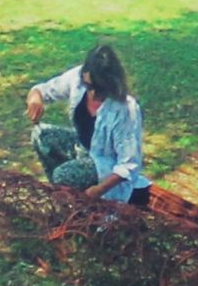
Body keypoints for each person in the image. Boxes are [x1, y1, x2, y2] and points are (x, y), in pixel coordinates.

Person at [25, 43, 150, 207]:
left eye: (99, 89)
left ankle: (71, 196)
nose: (92, 93)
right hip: (83, 150)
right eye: (89, 86)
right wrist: (35, 100)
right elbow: (42, 90)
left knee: (64, 175)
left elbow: (129, 164)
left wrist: (99, 190)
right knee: (41, 136)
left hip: (106, 164)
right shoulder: (77, 78)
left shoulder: (126, 109)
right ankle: (64, 195)